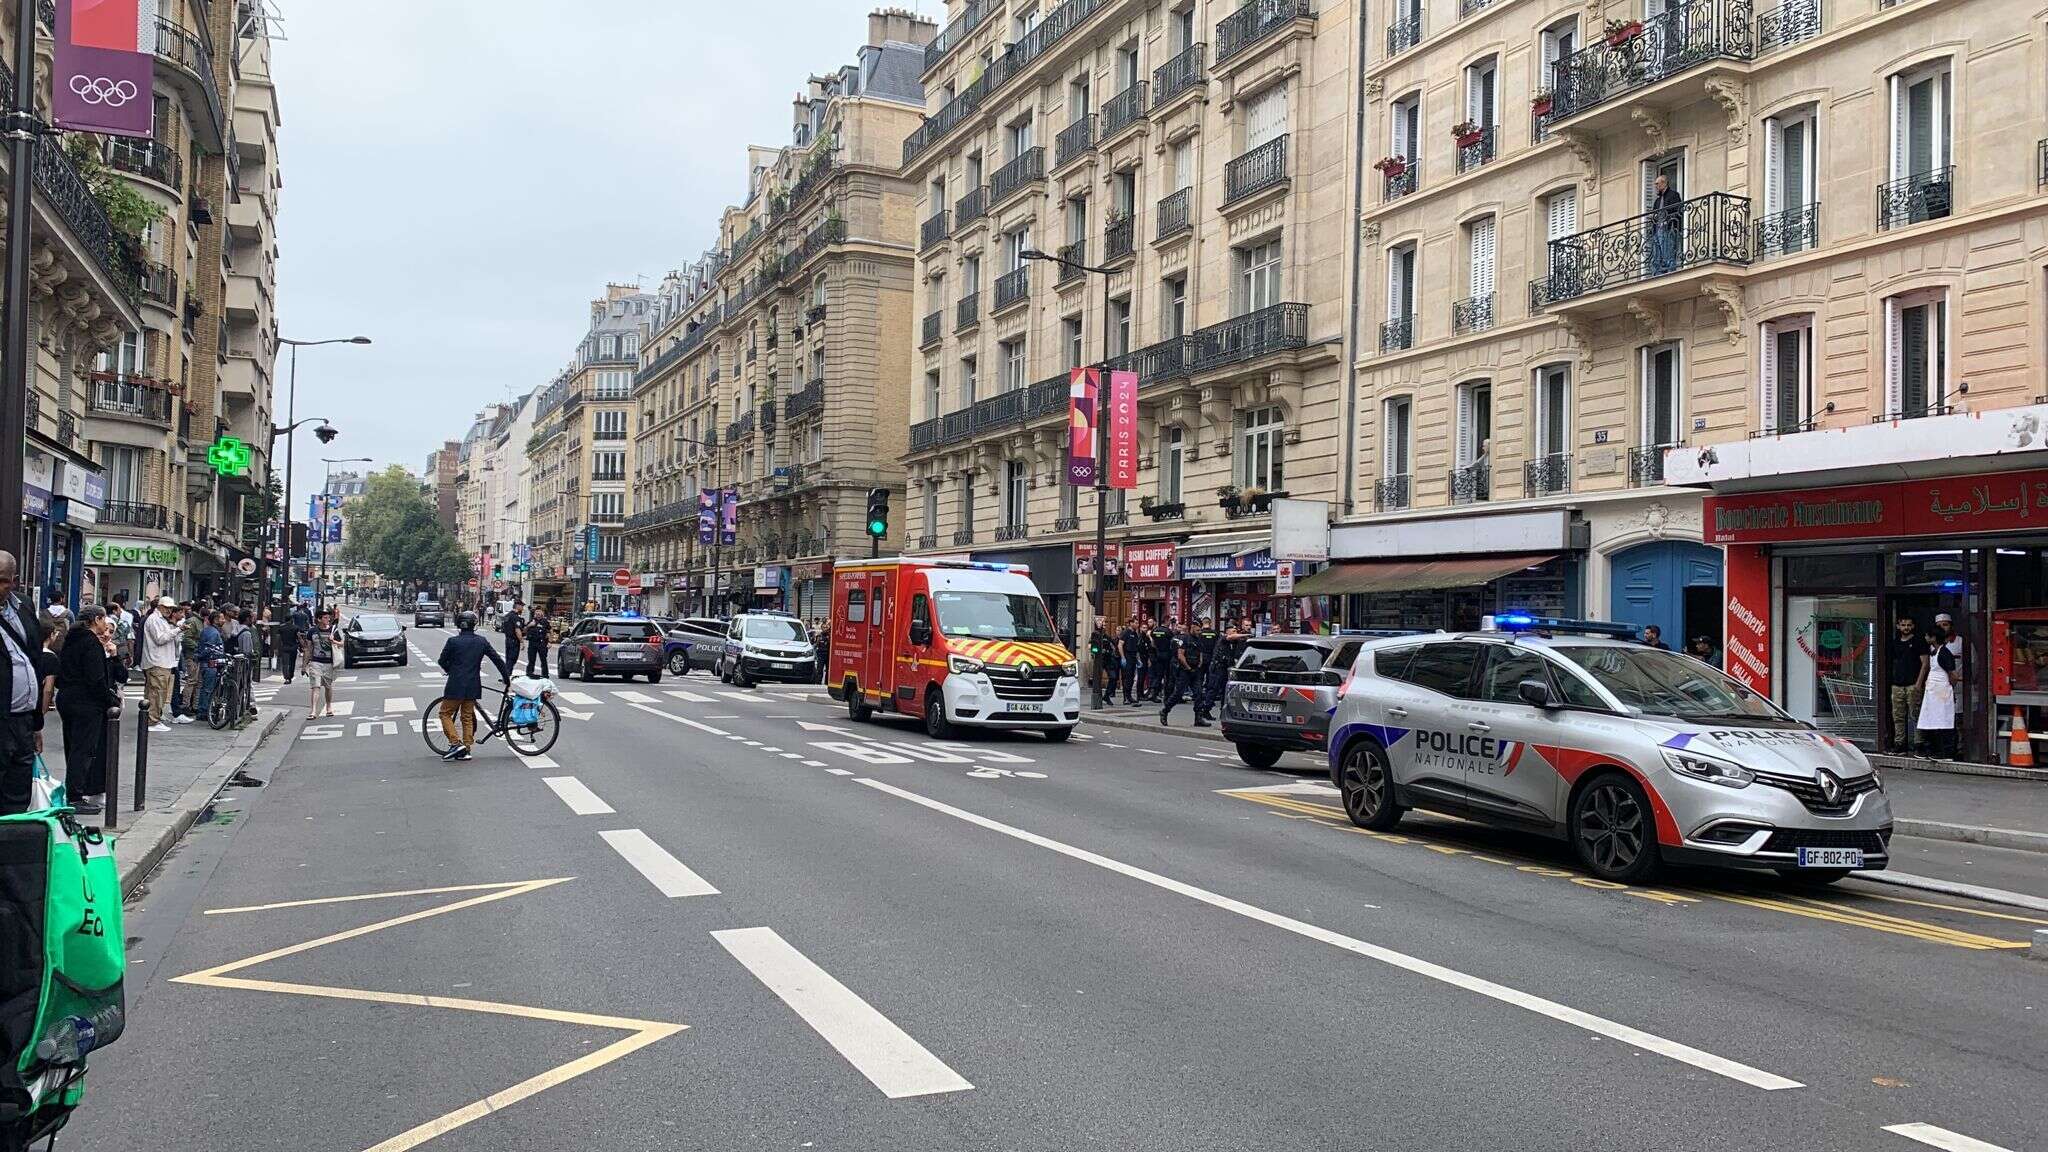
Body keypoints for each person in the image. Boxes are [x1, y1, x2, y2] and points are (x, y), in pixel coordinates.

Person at [57, 606, 125, 816]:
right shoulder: (90, 643)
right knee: (83, 749)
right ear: (96, 620)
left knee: (73, 746)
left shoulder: (71, 639)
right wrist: (110, 699)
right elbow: (95, 679)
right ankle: (76, 796)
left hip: (67, 698)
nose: (106, 623)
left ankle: (75, 791)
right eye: (104, 619)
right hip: (86, 703)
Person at [0, 551, 47, 816]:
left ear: (14, 581)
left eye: (3, 581)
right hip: (2, 719)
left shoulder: (23, 606)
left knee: (18, 795)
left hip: (23, 721)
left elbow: (34, 658)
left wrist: (36, 724)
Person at [436, 611, 509, 762]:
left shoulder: (452, 641)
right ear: (474, 625)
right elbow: (497, 660)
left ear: (459, 625)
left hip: (455, 684)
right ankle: (467, 749)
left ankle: (456, 743)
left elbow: (442, 661)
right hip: (473, 684)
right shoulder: (481, 641)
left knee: (445, 713)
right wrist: (506, 678)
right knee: (467, 717)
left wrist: (451, 670)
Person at [1917, 612, 1962, 759]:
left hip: (1942, 692)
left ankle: (1947, 752)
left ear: (1933, 638)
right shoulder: (1934, 651)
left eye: (1927, 636)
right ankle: (1933, 750)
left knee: (1944, 721)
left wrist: (1949, 689)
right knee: (1932, 720)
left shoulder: (1944, 653)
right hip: (1933, 693)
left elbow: (1953, 675)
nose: (1925, 638)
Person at [1887, 615, 1929, 755]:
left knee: (1915, 715)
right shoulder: (1895, 643)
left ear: (1913, 626)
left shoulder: (1918, 642)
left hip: (1913, 684)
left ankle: (1918, 744)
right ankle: (1900, 744)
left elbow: (1925, 663)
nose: (1906, 628)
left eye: (1909, 625)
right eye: (1903, 625)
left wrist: (1918, 683)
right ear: (1898, 626)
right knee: (1898, 716)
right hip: (1897, 684)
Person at [1202, 614, 1251, 727]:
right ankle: (1205, 710)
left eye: (1235, 630)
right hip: (1217, 667)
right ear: (1228, 631)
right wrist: (1247, 634)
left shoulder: (1234, 642)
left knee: (1225, 691)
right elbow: (1231, 638)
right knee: (1213, 689)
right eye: (1233, 631)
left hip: (1225, 668)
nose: (1235, 633)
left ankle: (1223, 712)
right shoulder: (1223, 638)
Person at [142, 598, 181, 732]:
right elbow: (160, 639)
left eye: (171, 608)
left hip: (162, 661)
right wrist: (177, 630)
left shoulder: (161, 620)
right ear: (159, 607)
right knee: (157, 693)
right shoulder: (154, 620)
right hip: (157, 661)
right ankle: (153, 721)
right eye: (166, 607)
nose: (169, 610)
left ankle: (153, 718)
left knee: (157, 692)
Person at [1159, 622, 1200, 726]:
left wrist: (1199, 664)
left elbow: (1201, 653)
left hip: (1195, 670)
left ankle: (1198, 718)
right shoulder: (1185, 639)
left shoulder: (1198, 640)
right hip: (1184, 670)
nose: (1199, 632)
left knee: (1199, 694)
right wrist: (1188, 667)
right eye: (1198, 630)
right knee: (1178, 693)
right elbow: (1180, 655)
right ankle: (1165, 711)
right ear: (1192, 629)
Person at [302, 608, 339, 718]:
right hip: (316, 662)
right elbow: (308, 649)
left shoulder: (333, 630)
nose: (328, 619)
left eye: (329, 617)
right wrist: (304, 665)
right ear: (319, 619)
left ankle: (328, 707)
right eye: (325, 617)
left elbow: (342, 643)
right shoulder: (312, 632)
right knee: (315, 686)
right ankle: (313, 711)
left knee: (328, 686)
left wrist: (334, 641)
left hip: (329, 662)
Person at [194, 610, 227, 721]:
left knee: (206, 688)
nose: (224, 620)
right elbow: (209, 648)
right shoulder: (213, 632)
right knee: (208, 689)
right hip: (210, 664)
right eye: (222, 618)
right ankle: (204, 711)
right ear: (216, 620)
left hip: (207, 663)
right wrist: (201, 656)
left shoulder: (208, 630)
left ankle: (204, 710)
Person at [1647, 172, 1682, 275]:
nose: (1656, 186)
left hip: (1668, 229)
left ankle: (1670, 273)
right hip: (1657, 230)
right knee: (1656, 257)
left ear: (1664, 183)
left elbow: (1678, 211)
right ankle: (1657, 275)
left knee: (1668, 255)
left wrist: (1667, 221)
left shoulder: (1673, 195)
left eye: (1657, 184)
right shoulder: (1657, 201)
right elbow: (1655, 215)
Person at [1146, 615, 1175, 704]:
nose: (1170, 623)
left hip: (1158, 655)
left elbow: (1153, 644)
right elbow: (1173, 644)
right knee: (1168, 676)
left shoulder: (1155, 631)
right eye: (1169, 621)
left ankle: (1154, 693)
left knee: (1158, 676)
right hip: (1167, 655)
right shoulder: (1168, 631)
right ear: (1166, 621)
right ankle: (1167, 696)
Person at [1118, 615, 1144, 706]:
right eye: (1136, 623)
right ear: (1131, 623)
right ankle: (1126, 698)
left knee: (1131, 678)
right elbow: (1120, 645)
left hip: (1133, 657)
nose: (1137, 625)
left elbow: (1135, 648)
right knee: (1127, 679)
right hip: (1127, 657)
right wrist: (1123, 657)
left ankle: (1129, 697)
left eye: (1138, 623)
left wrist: (1137, 660)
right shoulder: (1126, 633)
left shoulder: (1135, 634)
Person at [500, 602, 525, 674]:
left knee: (508, 658)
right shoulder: (515, 617)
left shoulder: (507, 615)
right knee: (512, 659)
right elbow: (517, 630)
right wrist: (522, 641)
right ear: (518, 606)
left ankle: (506, 674)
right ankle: (507, 675)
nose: (523, 609)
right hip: (514, 641)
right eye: (522, 607)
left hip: (508, 639)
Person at [524, 610, 551, 677]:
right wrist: (529, 625)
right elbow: (524, 630)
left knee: (543, 659)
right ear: (534, 614)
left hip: (542, 643)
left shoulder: (545, 622)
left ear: (542, 613)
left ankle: (545, 674)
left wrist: (550, 641)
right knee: (531, 659)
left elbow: (549, 631)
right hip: (532, 642)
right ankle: (530, 672)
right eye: (537, 612)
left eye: (539, 612)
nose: (538, 613)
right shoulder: (531, 621)